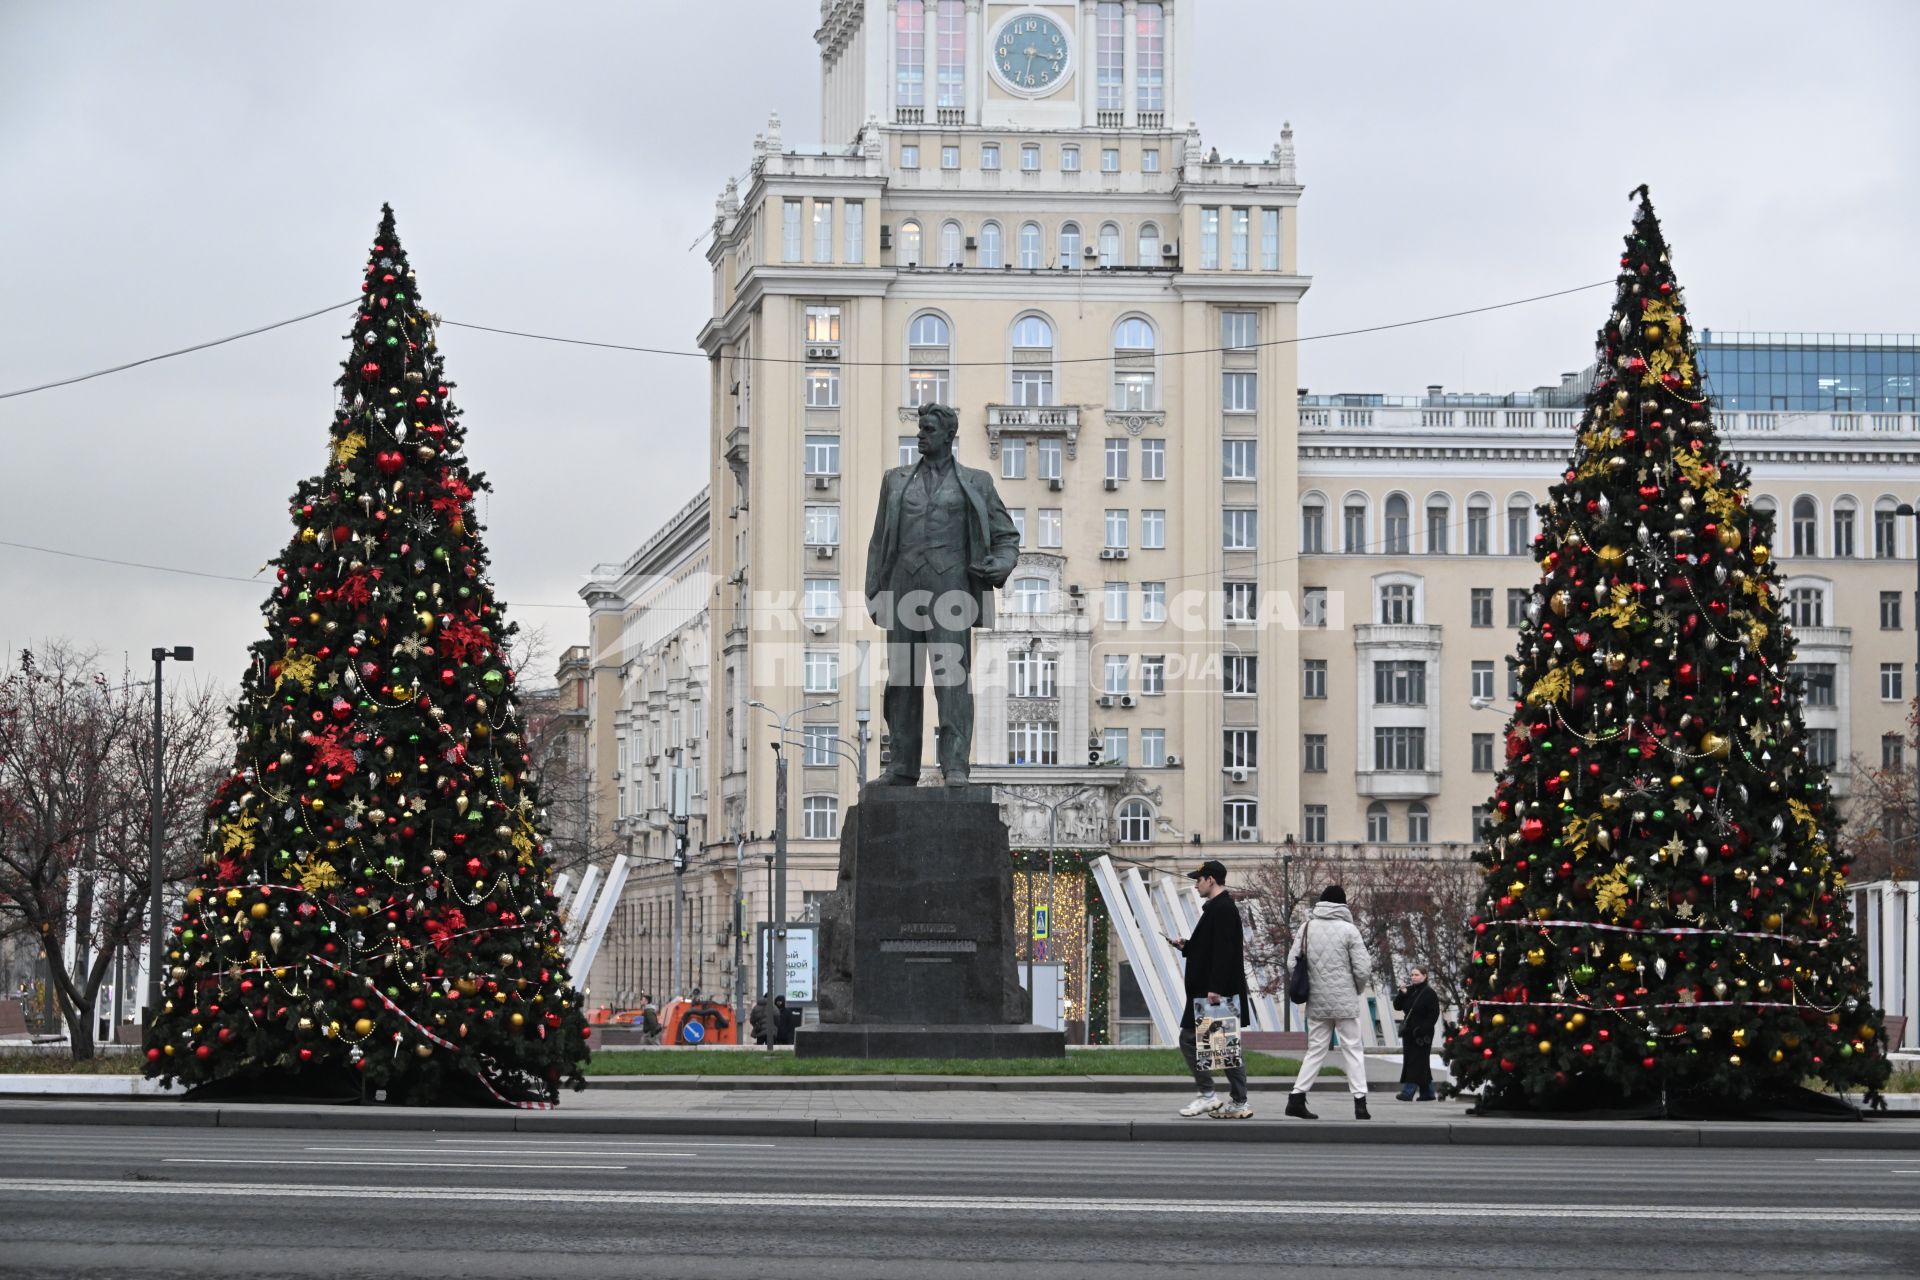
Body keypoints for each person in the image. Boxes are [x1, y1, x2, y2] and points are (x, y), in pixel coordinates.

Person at [864, 402, 1021, 787]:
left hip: (952, 588)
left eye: (929, 429)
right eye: (920, 428)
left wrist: (1001, 564)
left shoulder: (977, 482)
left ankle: (954, 765)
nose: (921, 435)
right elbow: (879, 540)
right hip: (903, 587)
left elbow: (1006, 536)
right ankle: (902, 765)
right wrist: (874, 592)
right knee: (902, 678)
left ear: (948, 436)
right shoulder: (895, 481)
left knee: (951, 677)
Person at [1168, 859, 1252, 1120]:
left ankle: (1208, 1095)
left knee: (1190, 1040)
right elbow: (1211, 947)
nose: (1195, 885)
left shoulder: (1222, 909)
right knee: (1223, 1046)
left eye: (1199, 880)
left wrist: (1214, 988)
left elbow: (1225, 953)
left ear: (1211, 880)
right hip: (1211, 992)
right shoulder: (1217, 908)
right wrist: (1188, 946)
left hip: (1213, 993)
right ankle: (1238, 1102)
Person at [1285, 885, 1374, 1120]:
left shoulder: (1306, 928)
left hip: (1316, 1001)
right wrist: (1356, 987)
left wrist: (1311, 985)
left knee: (1315, 1050)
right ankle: (1360, 1103)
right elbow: (1363, 968)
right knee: (1353, 1049)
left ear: (1321, 904)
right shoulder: (1349, 930)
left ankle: (1296, 1097)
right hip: (1344, 1001)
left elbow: (1292, 964)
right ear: (1343, 905)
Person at [1393, 967, 1441, 1101]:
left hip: (1422, 1034)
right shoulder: (1408, 990)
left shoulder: (1429, 993)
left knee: (1415, 1061)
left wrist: (1422, 1029)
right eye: (1412, 975)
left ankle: (1408, 1092)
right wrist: (1401, 994)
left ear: (1424, 976)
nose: (1413, 977)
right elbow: (1397, 1006)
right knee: (1419, 1062)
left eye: (1417, 975)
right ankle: (1427, 1093)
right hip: (1409, 1032)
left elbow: (1433, 1014)